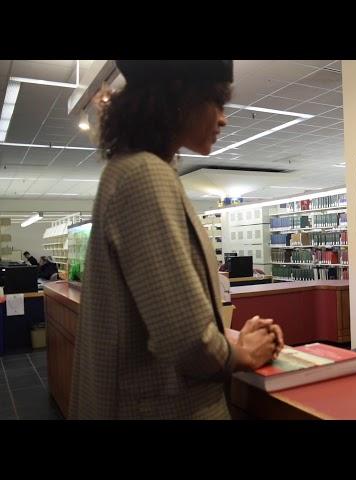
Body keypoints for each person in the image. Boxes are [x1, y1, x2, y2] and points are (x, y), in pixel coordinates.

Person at [69, 60, 284, 420]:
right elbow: (186, 340)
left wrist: (232, 341)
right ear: (180, 99)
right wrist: (244, 354)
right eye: (216, 102)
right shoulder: (146, 176)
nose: (223, 119)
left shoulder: (129, 169)